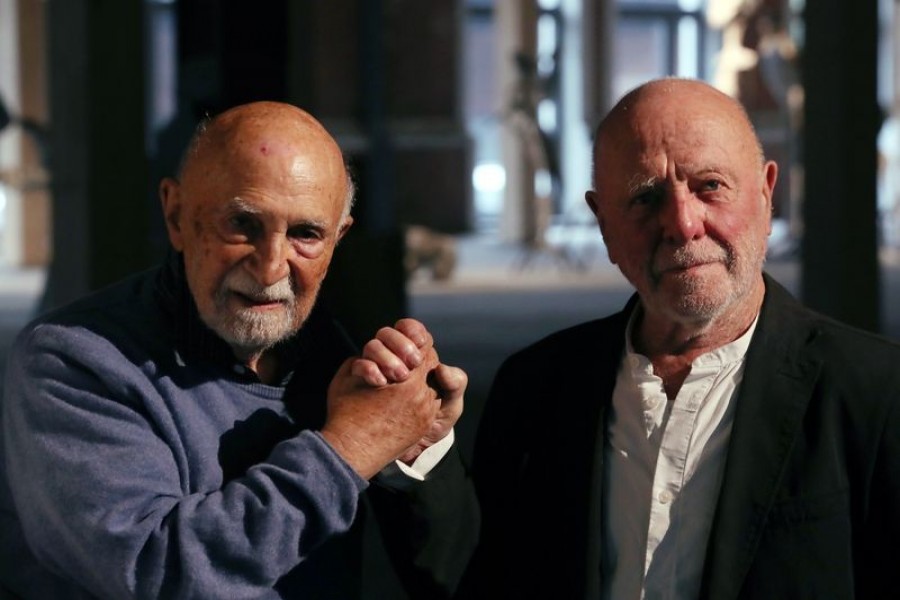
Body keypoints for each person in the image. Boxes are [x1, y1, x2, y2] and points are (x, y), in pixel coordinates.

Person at [0, 101, 478, 599]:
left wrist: (417, 449)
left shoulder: (331, 353)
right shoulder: (72, 362)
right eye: (244, 225)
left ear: (339, 237)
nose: (271, 267)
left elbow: (459, 578)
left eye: (306, 234)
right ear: (176, 215)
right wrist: (349, 448)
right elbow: (156, 573)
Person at [460, 78, 899, 599]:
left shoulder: (875, 391)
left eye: (710, 185)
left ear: (765, 192)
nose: (683, 223)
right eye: (646, 198)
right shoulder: (535, 387)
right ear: (603, 223)